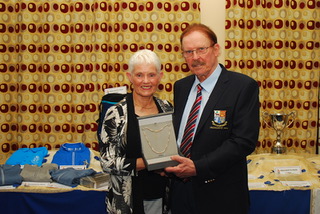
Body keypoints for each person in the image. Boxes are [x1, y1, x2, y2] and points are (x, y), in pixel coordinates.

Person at [165, 23, 260, 214]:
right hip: (180, 191)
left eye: (201, 49)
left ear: (216, 49)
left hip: (221, 195)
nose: (195, 58)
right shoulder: (181, 87)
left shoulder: (242, 86)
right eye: (188, 52)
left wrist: (198, 167)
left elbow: (243, 141)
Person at [100, 49, 173, 214]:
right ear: (129, 77)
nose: (145, 81)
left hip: (162, 198)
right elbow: (107, 162)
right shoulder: (116, 114)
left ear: (160, 76)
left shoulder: (167, 108)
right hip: (127, 202)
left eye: (151, 75)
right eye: (139, 75)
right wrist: (149, 163)